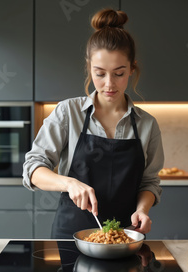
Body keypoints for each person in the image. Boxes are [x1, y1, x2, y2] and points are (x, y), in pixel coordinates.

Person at [23, 8, 164, 239]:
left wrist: (142, 210)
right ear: (89, 68)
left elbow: (149, 182)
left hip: (124, 237)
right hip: (70, 235)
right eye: (100, 73)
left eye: (119, 73)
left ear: (132, 69)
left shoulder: (147, 124)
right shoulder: (68, 112)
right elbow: (32, 169)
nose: (109, 84)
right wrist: (69, 183)